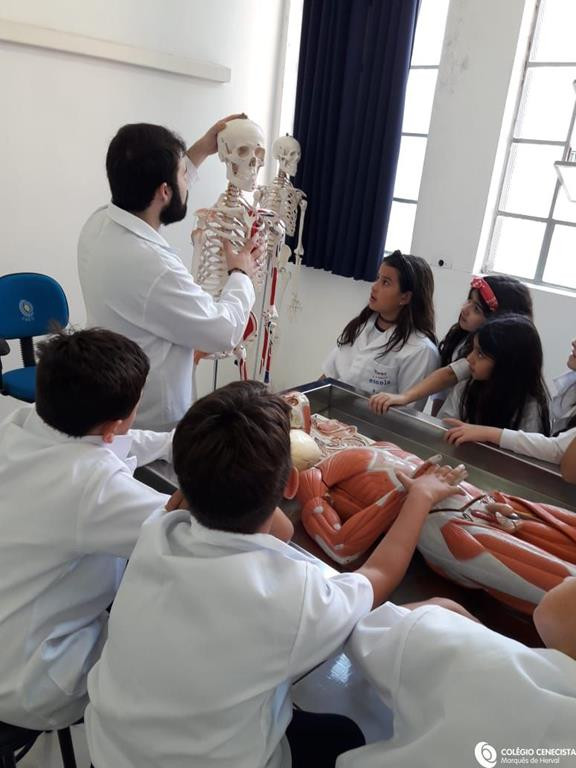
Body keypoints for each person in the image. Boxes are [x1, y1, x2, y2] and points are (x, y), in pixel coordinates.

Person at [85, 381, 466, 768]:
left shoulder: (159, 529)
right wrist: (419, 496)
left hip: (109, 749)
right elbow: (379, 573)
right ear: (292, 484)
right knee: (344, 734)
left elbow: (274, 530)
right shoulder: (293, 597)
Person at [0, 328, 173, 730]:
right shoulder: (93, 487)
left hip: (10, 629)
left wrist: (170, 443)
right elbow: (191, 526)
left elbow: (109, 439)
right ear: (114, 423)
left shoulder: (21, 422)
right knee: (173, 638)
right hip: (30, 679)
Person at [78, 117, 264, 431]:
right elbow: (223, 331)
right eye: (182, 174)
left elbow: (161, 185)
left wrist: (202, 149)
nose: (188, 180)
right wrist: (240, 274)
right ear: (164, 191)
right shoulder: (153, 266)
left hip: (111, 398)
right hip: (152, 418)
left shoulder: (98, 224)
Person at [370, 274, 533, 416]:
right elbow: (442, 389)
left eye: (477, 309)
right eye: (469, 300)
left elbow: (449, 375)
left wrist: (405, 397)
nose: (465, 309)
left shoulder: (483, 357)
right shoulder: (460, 339)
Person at [322, 251, 439, 410]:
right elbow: (328, 376)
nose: (374, 286)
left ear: (405, 297)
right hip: (331, 414)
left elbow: (406, 413)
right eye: (378, 278)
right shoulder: (360, 326)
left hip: (370, 425)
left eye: (386, 283)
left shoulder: (421, 351)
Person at [437, 314, 550, 434]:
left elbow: (522, 444)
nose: (469, 358)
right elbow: (443, 428)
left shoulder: (530, 409)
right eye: (473, 349)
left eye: (480, 354)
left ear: (506, 365)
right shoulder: (466, 387)